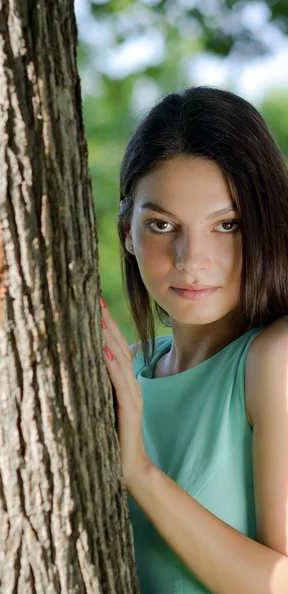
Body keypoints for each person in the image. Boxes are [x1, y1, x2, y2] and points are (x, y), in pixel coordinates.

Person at [101, 86, 288, 593]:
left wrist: (139, 472)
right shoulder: (128, 369)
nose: (190, 258)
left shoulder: (274, 359)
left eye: (227, 225)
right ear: (126, 231)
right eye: (162, 224)